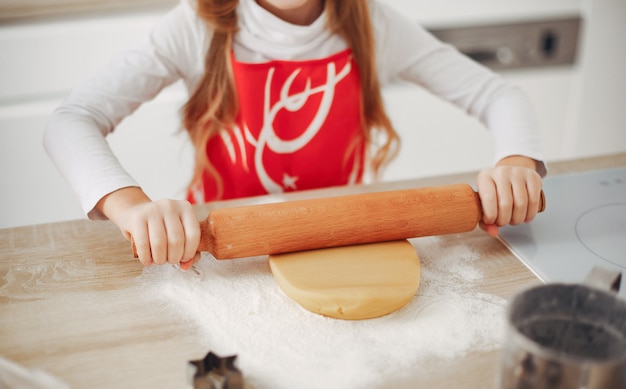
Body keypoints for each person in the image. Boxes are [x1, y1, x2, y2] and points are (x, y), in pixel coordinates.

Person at [44, 0, 546, 271]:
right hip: (220, 258)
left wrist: (517, 162)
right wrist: (132, 208)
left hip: (342, 243)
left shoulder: (372, 22)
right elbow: (72, 119)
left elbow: (498, 94)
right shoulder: (195, 25)